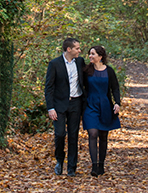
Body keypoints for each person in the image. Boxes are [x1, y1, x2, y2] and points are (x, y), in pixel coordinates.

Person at [45, 37, 85, 176]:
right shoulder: (55, 64)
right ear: (69, 49)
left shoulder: (80, 62)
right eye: (77, 48)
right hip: (59, 105)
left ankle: (71, 167)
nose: (79, 50)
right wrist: (50, 108)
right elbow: (49, 87)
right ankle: (59, 160)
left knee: (74, 135)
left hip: (76, 103)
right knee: (60, 134)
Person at [82, 45, 122, 177]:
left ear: (100, 56)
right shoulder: (87, 70)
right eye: (89, 54)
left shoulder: (109, 71)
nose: (90, 56)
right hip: (90, 105)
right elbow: (80, 86)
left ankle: (101, 164)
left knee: (103, 135)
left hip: (105, 105)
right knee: (93, 133)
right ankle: (93, 166)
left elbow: (115, 88)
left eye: (93, 54)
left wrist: (117, 103)